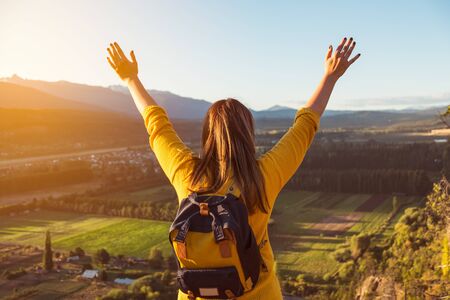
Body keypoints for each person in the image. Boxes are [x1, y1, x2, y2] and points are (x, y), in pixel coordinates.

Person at [106, 37, 360, 299]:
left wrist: (130, 79)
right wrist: (330, 77)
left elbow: (156, 124)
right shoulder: (262, 176)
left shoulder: (186, 173)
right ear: (248, 134)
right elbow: (304, 126)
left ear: (208, 135)